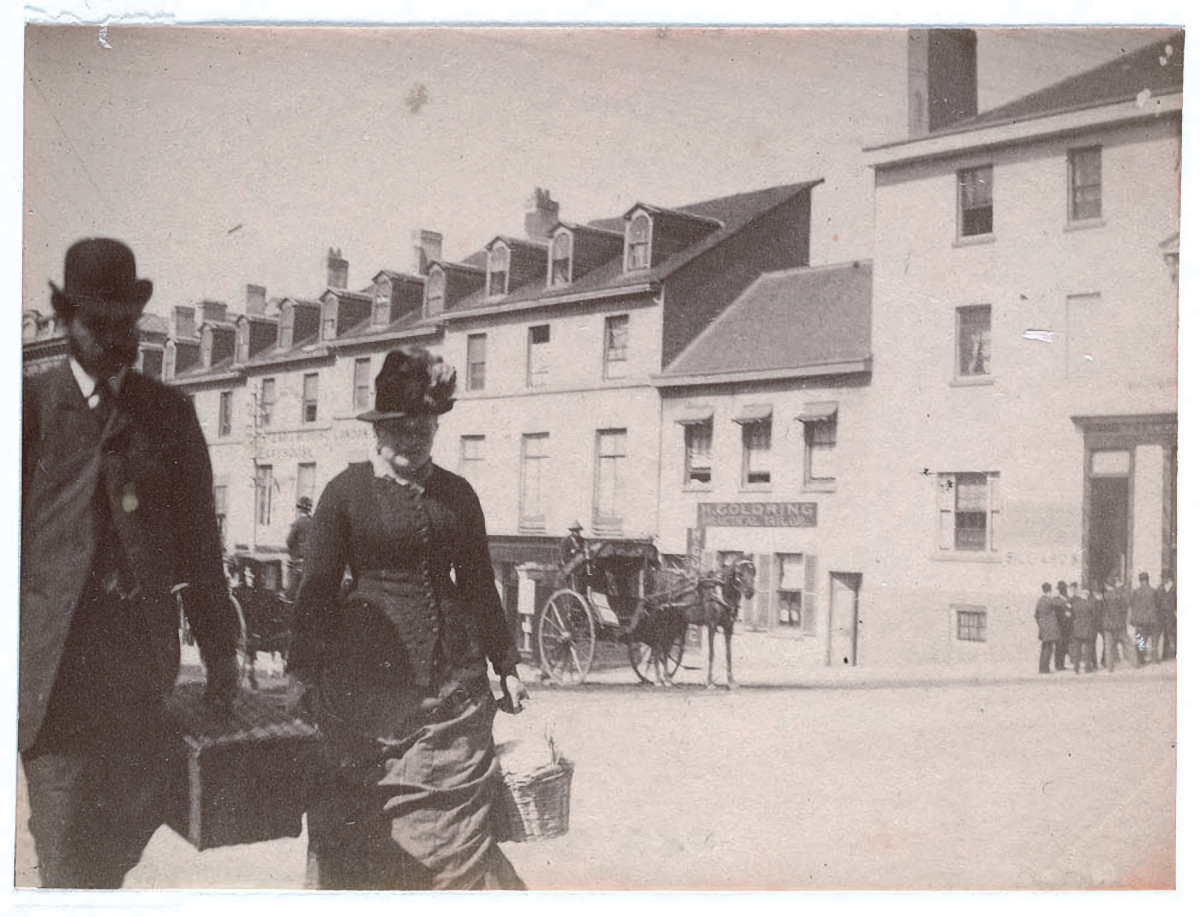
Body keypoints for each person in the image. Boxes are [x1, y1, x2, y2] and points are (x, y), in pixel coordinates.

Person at [20, 238, 240, 887]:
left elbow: (202, 550)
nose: (119, 336)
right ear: (67, 321)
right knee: (64, 861)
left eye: (127, 322)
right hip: (53, 690)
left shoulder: (170, 414)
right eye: (100, 323)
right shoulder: (28, 408)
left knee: (109, 864)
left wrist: (222, 652)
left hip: (138, 688)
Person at [287, 346, 529, 890]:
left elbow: (477, 584)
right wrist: (301, 671)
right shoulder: (344, 493)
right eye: (400, 426)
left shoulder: (459, 495)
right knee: (358, 833)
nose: (412, 436)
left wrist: (506, 662)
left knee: (454, 841)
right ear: (378, 428)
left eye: (424, 425)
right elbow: (317, 591)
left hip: (452, 691)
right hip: (362, 687)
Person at [285, 495, 314, 600]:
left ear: (299, 508)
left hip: (298, 559)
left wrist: (292, 552)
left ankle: (290, 604)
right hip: (311, 560)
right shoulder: (314, 522)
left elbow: (289, 541)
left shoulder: (298, 523)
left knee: (293, 586)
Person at [1130, 571, 1159, 665]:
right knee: (1154, 640)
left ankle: (1141, 659)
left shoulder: (1136, 592)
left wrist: (1133, 618)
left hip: (1140, 621)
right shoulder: (1153, 591)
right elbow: (1157, 605)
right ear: (1148, 580)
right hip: (1151, 620)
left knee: (1140, 640)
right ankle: (1154, 659)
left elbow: (1132, 605)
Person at [1069, 582, 1097, 674]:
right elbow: (1094, 616)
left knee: (1077, 649)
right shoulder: (1090, 605)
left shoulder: (1075, 604)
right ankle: (1088, 667)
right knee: (1088, 649)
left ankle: (1076, 667)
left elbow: (1072, 615)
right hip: (1087, 629)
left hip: (1077, 629)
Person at [1035, 582, 1061, 674]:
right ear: (1049, 590)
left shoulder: (1040, 601)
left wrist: (1040, 624)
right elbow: (1059, 604)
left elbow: (1036, 615)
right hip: (1050, 627)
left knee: (1044, 648)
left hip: (1043, 628)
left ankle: (1042, 667)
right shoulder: (1049, 601)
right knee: (1048, 649)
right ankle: (1045, 669)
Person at [559, 520, 589, 590]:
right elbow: (564, 556)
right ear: (572, 532)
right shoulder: (566, 541)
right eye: (575, 531)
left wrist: (586, 550)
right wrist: (575, 556)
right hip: (569, 564)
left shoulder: (582, 541)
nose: (577, 533)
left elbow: (586, 552)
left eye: (578, 531)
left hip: (581, 565)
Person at [1054, 580, 1073, 671]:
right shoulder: (1057, 601)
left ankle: (1061, 664)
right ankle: (1058, 664)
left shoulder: (1067, 599)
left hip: (1067, 626)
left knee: (1064, 645)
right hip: (1061, 626)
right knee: (1060, 646)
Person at [1158, 569, 1177, 661]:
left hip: (1171, 613)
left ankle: (1174, 653)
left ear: (1168, 578)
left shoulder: (1174, 588)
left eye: (1164, 577)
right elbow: (1157, 600)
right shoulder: (1161, 587)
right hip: (1162, 614)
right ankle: (1165, 654)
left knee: (1171, 633)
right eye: (1162, 578)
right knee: (1165, 633)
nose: (1162, 579)